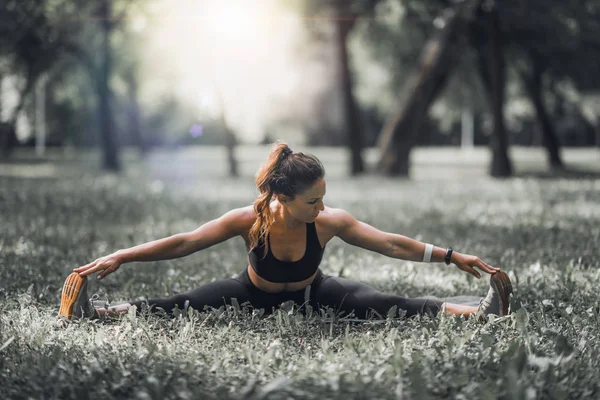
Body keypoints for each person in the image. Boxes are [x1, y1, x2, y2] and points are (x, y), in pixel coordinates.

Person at [59, 142, 512, 322]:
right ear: (283, 197)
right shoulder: (249, 219)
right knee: (179, 305)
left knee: (387, 303)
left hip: (314, 293)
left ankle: (479, 314)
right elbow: (185, 242)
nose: (321, 206)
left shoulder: (330, 221)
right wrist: (122, 255)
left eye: (323, 197)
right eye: (312, 200)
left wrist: (452, 256)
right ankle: (95, 313)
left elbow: (391, 243)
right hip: (252, 293)